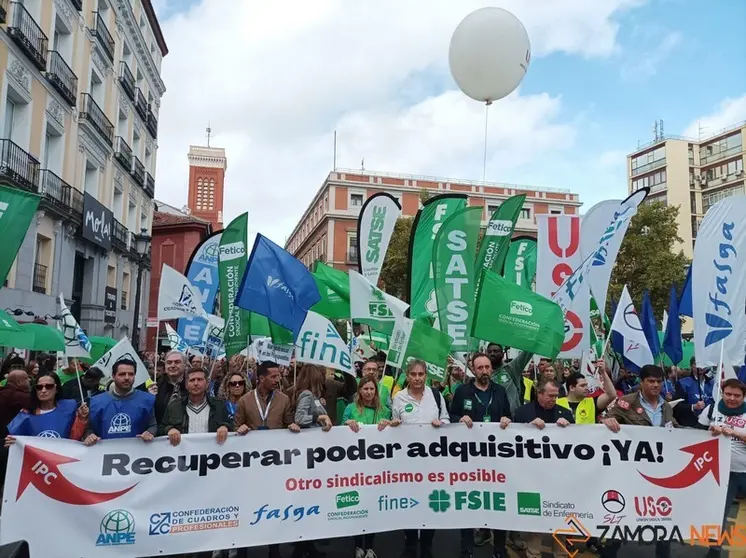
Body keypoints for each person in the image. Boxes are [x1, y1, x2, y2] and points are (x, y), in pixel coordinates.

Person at [602, 365, 678, 558]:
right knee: (623, 513)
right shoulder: (626, 402)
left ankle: (663, 553)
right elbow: (605, 418)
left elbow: (677, 431)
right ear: (642, 382)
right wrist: (606, 422)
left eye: (659, 382)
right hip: (632, 471)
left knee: (663, 514)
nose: (655, 385)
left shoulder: (666, 406)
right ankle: (610, 551)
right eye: (651, 381)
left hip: (660, 473)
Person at [449, 353, 512, 558]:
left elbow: (509, 416)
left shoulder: (500, 391)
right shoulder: (462, 391)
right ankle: (466, 547)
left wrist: (506, 419)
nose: (484, 371)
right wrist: (459, 418)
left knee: (498, 503)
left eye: (487, 367)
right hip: (469, 459)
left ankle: (499, 548)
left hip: (496, 459)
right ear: (473, 370)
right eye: (480, 368)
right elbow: (450, 416)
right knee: (468, 502)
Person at [235, 361, 298, 558]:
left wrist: (292, 426)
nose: (278, 380)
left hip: (275, 463)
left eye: (278, 376)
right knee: (247, 506)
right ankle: (242, 549)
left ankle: (274, 548)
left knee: (274, 504)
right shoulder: (244, 401)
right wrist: (239, 429)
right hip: (251, 464)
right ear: (261, 378)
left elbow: (288, 422)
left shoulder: (284, 399)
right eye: (273, 376)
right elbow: (235, 429)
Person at [392, 359, 450, 558]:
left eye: (421, 374)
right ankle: (410, 542)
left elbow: (447, 420)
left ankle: (427, 545)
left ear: (426, 375)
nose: (417, 378)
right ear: (407, 376)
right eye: (413, 374)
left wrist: (440, 423)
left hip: (432, 462)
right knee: (409, 501)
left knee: (429, 502)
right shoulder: (399, 398)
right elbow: (394, 427)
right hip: (407, 463)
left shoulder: (436, 396)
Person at [343, 377, 395, 558]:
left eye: (372, 389)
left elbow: (393, 433)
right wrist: (347, 424)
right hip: (356, 466)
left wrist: (389, 424)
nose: (369, 392)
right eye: (365, 388)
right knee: (358, 506)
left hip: (377, 467)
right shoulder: (351, 409)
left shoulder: (385, 411)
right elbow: (341, 431)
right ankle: (358, 546)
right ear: (359, 390)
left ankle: (370, 546)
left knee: (372, 506)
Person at [698, 378, 746, 558]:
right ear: (722, 393)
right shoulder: (711, 410)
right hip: (721, 472)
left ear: (743, 396)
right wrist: (709, 432)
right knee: (719, 514)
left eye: (737, 395)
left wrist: (736, 433)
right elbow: (694, 436)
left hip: (744, 471)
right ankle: (714, 550)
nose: (732, 398)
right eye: (728, 394)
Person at [292, 365, 332, 558]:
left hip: (314, 453)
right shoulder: (307, 394)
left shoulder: (311, 396)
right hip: (307, 453)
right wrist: (319, 416)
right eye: (322, 376)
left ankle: (307, 545)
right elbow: (299, 418)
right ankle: (301, 547)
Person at [84, 358, 157, 445]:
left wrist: (150, 432)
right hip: (105, 454)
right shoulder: (96, 401)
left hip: (136, 454)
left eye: (131, 374)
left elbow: (152, 425)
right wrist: (89, 435)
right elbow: (89, 428)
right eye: (122, 374)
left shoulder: (147, 400)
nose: (126, 378)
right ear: (113, 376)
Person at [5, 372, 88, 444]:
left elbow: (74, 438)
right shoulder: (25, 414)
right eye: (39, 387)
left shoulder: (69, 407)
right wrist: (11, 443)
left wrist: (81, 419)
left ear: (56, 389)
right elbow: (14, 439)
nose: (43, 390)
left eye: (49, 386)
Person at [161, 367, 232, 446]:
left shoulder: (219, 405)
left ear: (207, 383)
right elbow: (161, 428)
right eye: (192, 380)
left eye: (199, 380)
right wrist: (170, 429)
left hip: (211, 453)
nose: (196, 383)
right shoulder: (174, 406)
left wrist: (225, 427)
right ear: (186, 385)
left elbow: (230, 424)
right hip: (183, 454)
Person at [154, 350, 189, 424]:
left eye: (177, 362)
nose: (172, 366)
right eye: (169, 363)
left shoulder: (192, 385)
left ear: (185, 365)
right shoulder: (155, 385)